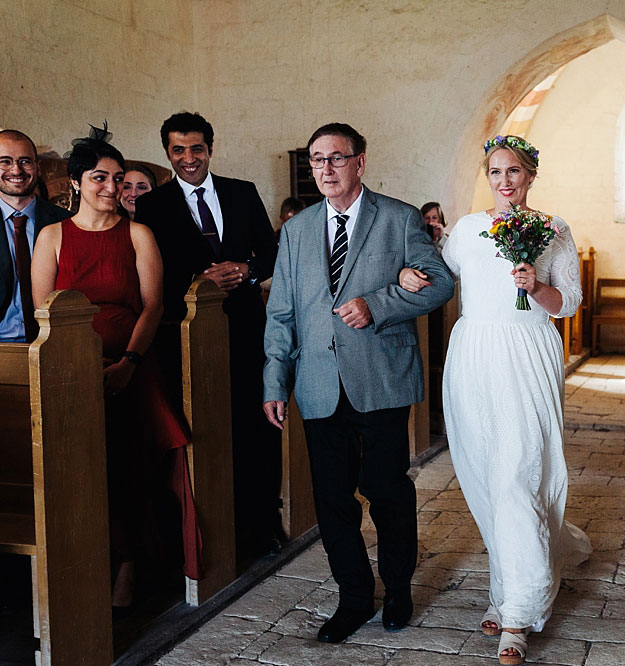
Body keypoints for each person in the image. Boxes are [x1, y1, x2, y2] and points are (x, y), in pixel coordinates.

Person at [401, 135, 591, 665]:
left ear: (530, 176)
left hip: (526, 353)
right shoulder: (467, 229)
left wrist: (536, 286)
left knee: (518, 474)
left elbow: (567, 302)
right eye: (495, 172)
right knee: (484, 473)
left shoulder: (553, 230)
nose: (504, 181)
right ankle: (504, 588)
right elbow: (441, 275)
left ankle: (518, 616)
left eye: (514, 172)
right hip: (474, 354)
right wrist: (406, 273)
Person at [263, 123, 453, 644]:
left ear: (360, 163)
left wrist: (380, 304)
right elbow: (281, 314)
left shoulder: (398, 218)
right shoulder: (297, 230)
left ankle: (397, 589)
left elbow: (440, 282)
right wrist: (274, 383)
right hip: (318, 384)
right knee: (331, 499)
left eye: (336, 159)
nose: (325, 169)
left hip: (381, 378)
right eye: (316, 160)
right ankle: (353, 596)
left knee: (387, 490)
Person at [30, 130, 201, 609]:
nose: (111, 187)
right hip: (70, 368)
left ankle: (132, 561)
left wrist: (129, 362)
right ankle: (83, 560)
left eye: (117, 178)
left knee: (131, 464)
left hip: (131, 363)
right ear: (77, 183)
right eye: (99, 177)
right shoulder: (53, 236)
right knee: (80, 466)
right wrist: (78, 364)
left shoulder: (138, 233)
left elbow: (153, 305)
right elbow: (41, 309)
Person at [134, 111, 280, 558]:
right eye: (178, 150)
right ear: (168, 154)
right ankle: (210, 533)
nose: (188, 158)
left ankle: (263, 525)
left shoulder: (242, 192)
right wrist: (200, 278)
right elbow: (153, 270)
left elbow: (274, 253)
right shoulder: (153, 206)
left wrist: (247, 270)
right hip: (187, 334)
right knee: (204, 429)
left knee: (256, 428)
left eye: (196, 148)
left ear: (210, 149)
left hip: (246, 328)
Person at [0, 129, 72, 343]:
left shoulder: (66, 222)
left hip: (55, 343)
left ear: (38, 168)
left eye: (25, 161)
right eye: (5, 161)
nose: (16, 170)